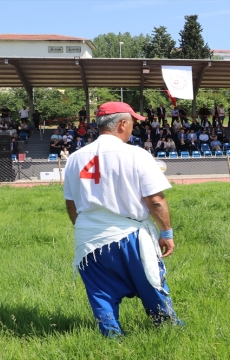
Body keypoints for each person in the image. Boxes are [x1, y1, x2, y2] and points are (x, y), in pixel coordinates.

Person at [63, 101, 181, 337]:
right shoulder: (136, 154)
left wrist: (84, 227)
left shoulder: (75, 158)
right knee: (151, 282)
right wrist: (166, 233)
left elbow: (70, 203)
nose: (133, 129)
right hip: (130, 237)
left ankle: (112, 337)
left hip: (88, 239)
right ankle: (167, 329)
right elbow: (155, 200)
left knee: (100, 292)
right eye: (133, 123)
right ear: (122, 124)